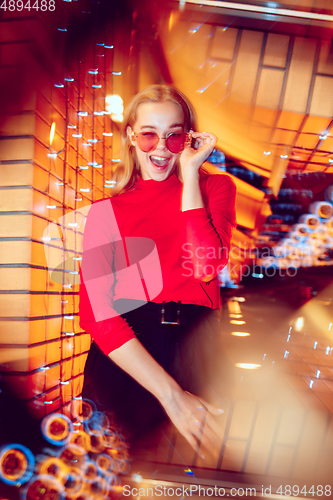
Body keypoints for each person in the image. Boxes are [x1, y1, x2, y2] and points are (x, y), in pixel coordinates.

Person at [79, 84, 236, 454]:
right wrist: (171, 394)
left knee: (197, 476)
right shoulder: (106, 211)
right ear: (132, 137)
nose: (162, 148)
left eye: (174, 135)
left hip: (197, 346)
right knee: (112, 480)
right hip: (128, 353)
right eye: (149, 135)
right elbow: (96, 313)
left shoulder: (215, 188)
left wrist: (191, 175)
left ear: (189, 138)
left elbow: (206, 266)